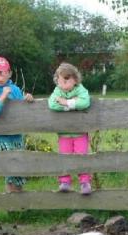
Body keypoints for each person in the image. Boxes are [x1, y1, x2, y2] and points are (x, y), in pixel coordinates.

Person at [0, 56, 35, 193]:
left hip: (16, 135)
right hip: (0, 137)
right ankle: (12, 203)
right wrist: (3, 96)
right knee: (11, 168)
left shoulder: (14, 89)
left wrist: (27, 99)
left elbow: (20, 112)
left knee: (19, 171)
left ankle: (18, 205)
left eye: (2, 72)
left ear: (9, 73)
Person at [48, 62, 92, 195]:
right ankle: (65, 181)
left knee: (81, 156)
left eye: (67, 80)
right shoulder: (57, 90)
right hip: (64, 134)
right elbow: (52, 104)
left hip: (80, 133)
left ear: (75, 79)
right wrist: (73, 105)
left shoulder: (80, 89)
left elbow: (85, 102)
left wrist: (66, 103)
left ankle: (85, 182)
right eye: (60, 81)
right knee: (64, 157)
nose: (63, 84)